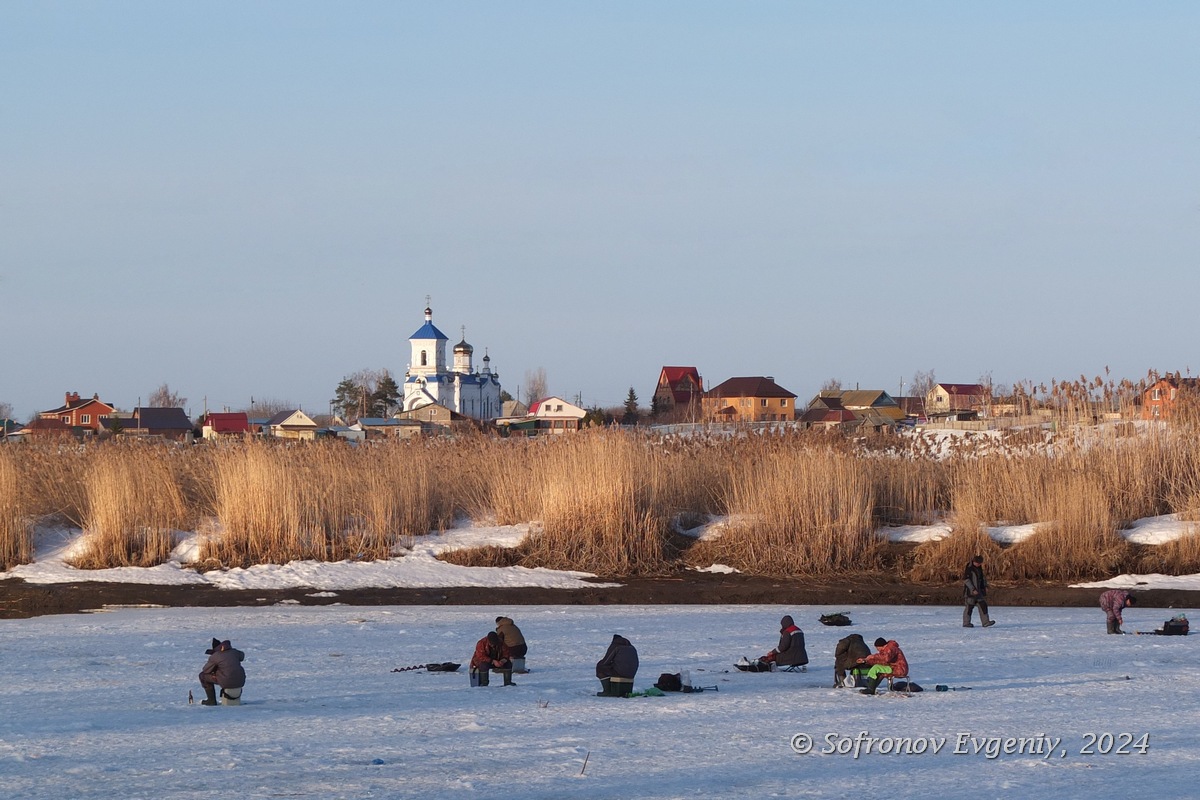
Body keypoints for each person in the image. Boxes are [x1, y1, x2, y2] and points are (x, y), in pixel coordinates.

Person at [198, 638, 246, 706]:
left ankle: (211, 700)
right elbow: (242, 656)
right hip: (240, 680)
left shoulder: (216, 656)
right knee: (226, 671)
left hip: (226, 681)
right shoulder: (234, 652)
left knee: (202, 676)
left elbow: (206, 670)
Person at [963, 555, 996, 628]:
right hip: (970, 593)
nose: (979, 564)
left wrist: (985, 586)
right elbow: (966, 580)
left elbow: (982, 578)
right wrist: (972, 589)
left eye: (980, 563)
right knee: (969, 607)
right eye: (977, 563)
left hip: (979, 592)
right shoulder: (969, 568)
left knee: (983, 605)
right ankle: (966, 623)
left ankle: (986, 622)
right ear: (974, 562)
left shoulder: (979, 568)